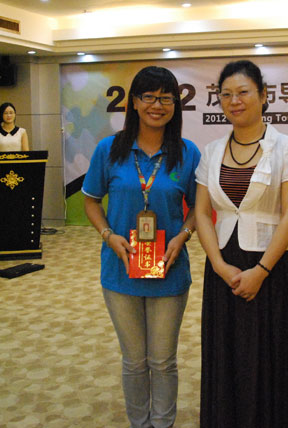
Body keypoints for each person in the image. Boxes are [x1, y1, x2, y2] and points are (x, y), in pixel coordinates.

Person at [195, 60, 288, 428]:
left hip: (271, 266)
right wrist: (218, 265)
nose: (234, 101)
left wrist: (261, 271)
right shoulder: (212, 150)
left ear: (263, 95)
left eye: (243, 92)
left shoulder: (287, 147)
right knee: (228, 353)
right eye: (226, 94)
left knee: (269, 354)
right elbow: (201, 212)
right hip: (224, 265)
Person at [82, 66, 201, 428]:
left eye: (166, 98)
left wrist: (183, 235)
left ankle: (162, 424)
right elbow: (91, 201)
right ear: (133, 102)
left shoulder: (187, 152)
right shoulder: (109, 149)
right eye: (148, 96)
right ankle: (140, 423)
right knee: (134, 361)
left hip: (169, 270)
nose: (157, 105)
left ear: (175, 105)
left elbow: (199, 207)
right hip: (121, 271)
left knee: (162, 360)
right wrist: (108, 235)